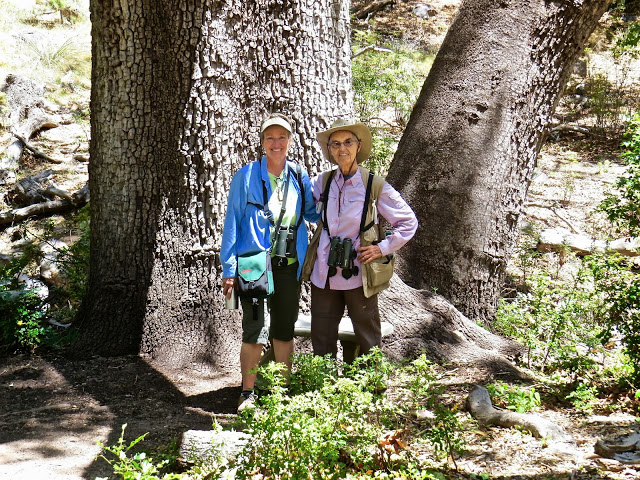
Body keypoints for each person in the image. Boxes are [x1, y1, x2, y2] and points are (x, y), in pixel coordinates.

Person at [221, 114, 319, 412]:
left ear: (290, 141)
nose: (276, 143)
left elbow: (314, 214)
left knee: (283, 330)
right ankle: (247, 393)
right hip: (254, 267)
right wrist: (229, 270)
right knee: (254, 330)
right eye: (270, 138)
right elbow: (232, 223)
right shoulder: (246, 176)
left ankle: (281, 392)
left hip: (288, 266)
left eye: (282, 138)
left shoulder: (298, 176)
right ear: (262, 143)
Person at [308, 119, 418, 359]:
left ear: (358, 146)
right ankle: (323, 389)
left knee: (368, 334)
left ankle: (373, 390)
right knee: (322, 335)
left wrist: (382, 248)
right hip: (324, 271)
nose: (341, 149)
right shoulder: (322, 182)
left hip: (359, 272)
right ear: (330, 150)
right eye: (335, 144)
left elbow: (408, 222)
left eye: (348, 142)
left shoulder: (374, 185)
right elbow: (301, 207)